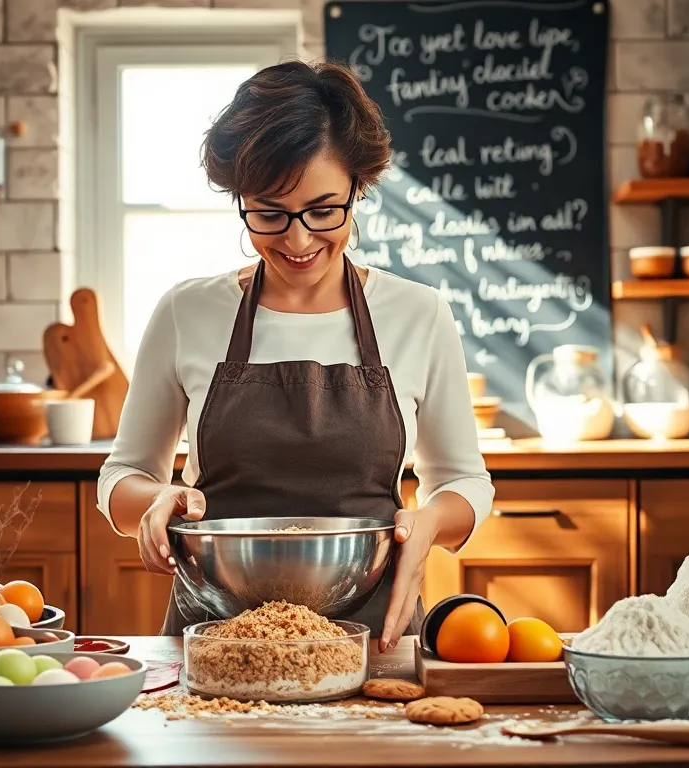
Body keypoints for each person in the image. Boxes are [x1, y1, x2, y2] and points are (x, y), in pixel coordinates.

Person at [96, 59, 494, 653]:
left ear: (358, 188)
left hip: (374, 638)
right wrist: (157, 502)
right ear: (239, 198)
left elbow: (464, 481)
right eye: (268, 213)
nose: (298, 239)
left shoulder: (418, 313)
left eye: (323, 210)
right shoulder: (187, 311)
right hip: (216, 639)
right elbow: (120, 477)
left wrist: (430, 521)